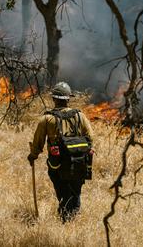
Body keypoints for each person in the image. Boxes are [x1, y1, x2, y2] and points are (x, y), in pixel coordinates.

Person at [27, 82, 94, 222]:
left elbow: (38, 142)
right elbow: (90, 137)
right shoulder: (80, 116)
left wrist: (32, 156)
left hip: (57, 165)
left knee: (63, 193)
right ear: (68, 99)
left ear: (54, 99)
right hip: (79, 162)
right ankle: (72, 220)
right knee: (75, 193)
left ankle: (65, 220)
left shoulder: (47, 119)